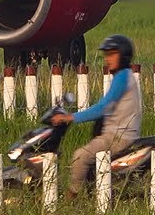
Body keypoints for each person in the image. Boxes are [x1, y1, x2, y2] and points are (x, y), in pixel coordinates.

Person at [49, 34, 142, 199]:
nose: (108, 59)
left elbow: (102, 108)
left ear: (124, 56)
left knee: (80, 156)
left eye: (112, 54)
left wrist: (70, 117)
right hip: (120, 133)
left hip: (118, 135)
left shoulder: (122, 78)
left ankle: (71, 198)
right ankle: (93, 192)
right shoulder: (125, 76)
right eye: (106, 55)